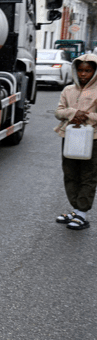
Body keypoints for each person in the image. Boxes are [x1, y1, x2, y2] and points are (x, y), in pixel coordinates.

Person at [54, 54, 97, 230]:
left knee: (88, 175)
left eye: (88, 70)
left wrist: (86, 116)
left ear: (95, 72)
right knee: (70, 173)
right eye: (80, 70)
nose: (83, 74)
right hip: (70, 137)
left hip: (93, 139)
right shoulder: (68, 90)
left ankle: (82, 214)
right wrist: (73, 113)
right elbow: (59, 112)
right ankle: (76, 210)